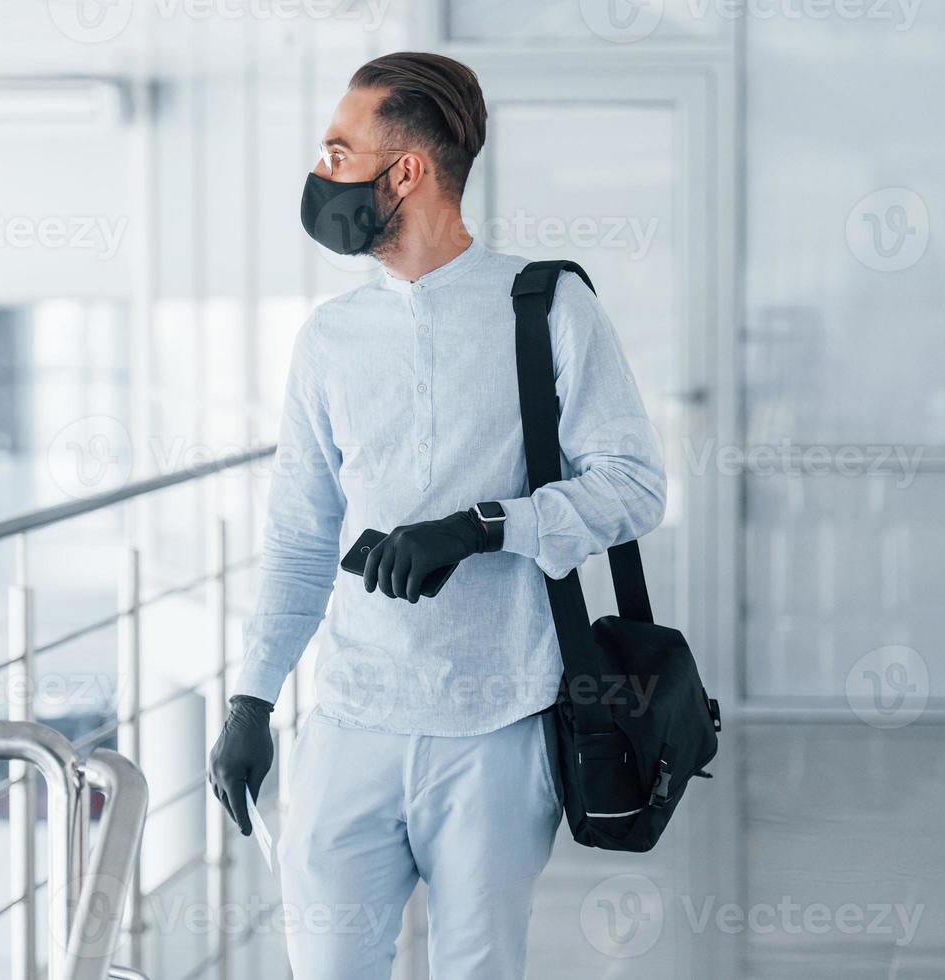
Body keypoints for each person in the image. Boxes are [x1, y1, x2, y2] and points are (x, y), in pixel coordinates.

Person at [207, 50, 666, 979]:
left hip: (497, 723)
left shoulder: (546, 308)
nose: (320, 172)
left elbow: (634, 485)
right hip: (349, 721)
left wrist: (481, 528)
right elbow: (300, 536)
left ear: (405, 171)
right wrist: (252, 700)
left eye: (339, 151)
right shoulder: (330, 339)